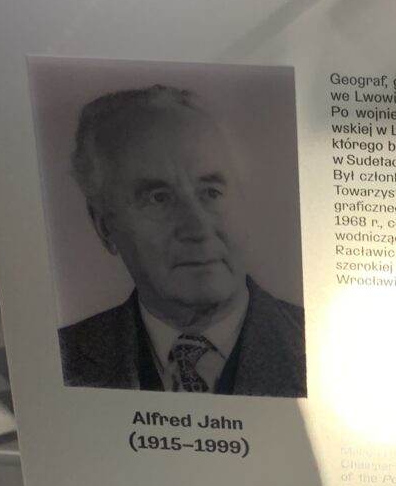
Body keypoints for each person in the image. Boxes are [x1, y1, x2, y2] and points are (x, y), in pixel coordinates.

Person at [57, 84, 305, 397]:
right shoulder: (60, 357)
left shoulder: (324, 346)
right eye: (159, 198)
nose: (197, 228)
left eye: (211, 193)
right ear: (105, 225)